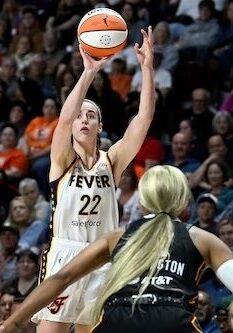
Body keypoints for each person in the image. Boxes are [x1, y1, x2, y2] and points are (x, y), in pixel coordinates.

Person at [25, 26, 154, 333]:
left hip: (103, 258)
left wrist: (147, 69)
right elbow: (65, 117)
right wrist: (89, 72)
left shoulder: (112, 161)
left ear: (99, 126)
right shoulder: (62, 160)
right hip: (66, 255)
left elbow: (143, 119)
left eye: (91, 116)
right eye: (80, 115)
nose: (83, 119)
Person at [1, 165, 233, 333]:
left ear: (142, 201)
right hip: (173, 319)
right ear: (184, 201)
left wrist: (13, 323)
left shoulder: (117, 236)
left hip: (118, 320)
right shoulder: (202, 238)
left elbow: (61, 277)